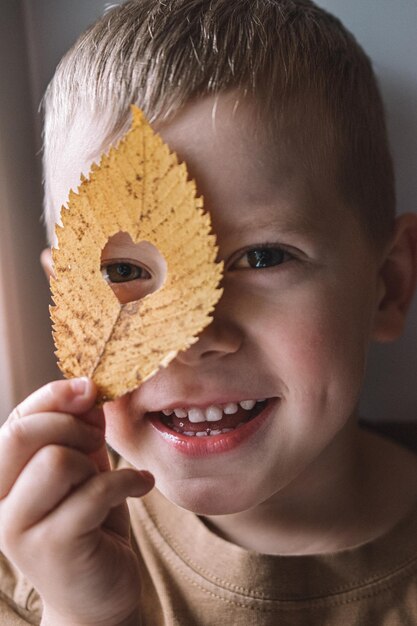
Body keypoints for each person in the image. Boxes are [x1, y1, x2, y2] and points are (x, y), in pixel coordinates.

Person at [1, 1, 417, 624]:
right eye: (124, 273)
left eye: (264, 257)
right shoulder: (34, 566)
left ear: (387, 285)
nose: (191, 338)